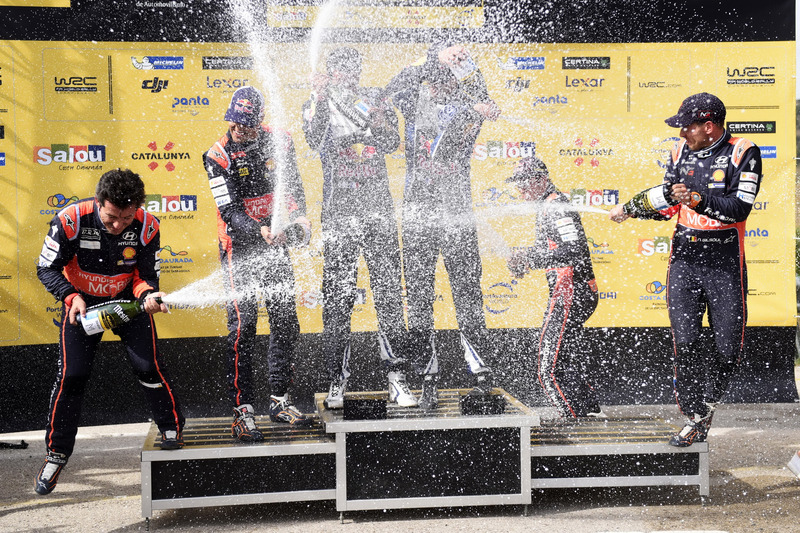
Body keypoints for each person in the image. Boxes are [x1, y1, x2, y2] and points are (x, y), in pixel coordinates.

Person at [609, 92, 762, 447]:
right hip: (684, 260)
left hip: (724, 262)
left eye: (687, 128)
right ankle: (692, 417)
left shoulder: (743, 151)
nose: (682, 135)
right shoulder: (679, 152)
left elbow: (739, 209)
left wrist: (695, 199)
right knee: (687, 343)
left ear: (709, 127)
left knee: (728, 350)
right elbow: (666, 200)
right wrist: (631, 208)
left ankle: (706, 410)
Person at [34, 168, 185, 495]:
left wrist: (148, 295)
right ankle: (56, 454)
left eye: (126, 218)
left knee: (149, 368)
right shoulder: (70, 219)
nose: (118, 226)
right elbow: (46, 268)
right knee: (72, 376)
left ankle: (171, 428)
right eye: (111, 217)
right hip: (82, 306)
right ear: (98, 202)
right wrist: (70, 296)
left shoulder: (147, 225)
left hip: (127, 304)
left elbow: (146, 277)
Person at [385, 42, 500, 409]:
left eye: (447, 81)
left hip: (458, 215)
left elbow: (482, 93)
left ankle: (481, 376)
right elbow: (393, 86)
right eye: (435, 81)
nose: (439, 88)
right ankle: (427, 378)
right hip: (419, 215)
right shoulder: (413, 101)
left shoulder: (471, 108)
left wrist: (463, 62)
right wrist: (436, 58)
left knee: (468, 294)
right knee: (419, 299)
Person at [301, 47, 417, 409]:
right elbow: (313, 140)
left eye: (353, 69)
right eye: (340, 70)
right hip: (338, 214)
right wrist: (320, 99)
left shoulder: (375, 98)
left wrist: (380, 122)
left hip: (378, 212)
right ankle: (337, 380)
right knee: (336, 299)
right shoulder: (316, 100)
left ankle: (397, 378)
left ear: (359, 70)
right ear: (330, 72)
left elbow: (391, 143)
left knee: (388, 295)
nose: (347, 75)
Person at [203, 86, 313, 439]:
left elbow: (292, 186)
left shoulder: (280, 140)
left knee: (286, 321)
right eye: (235, 123)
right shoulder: (217, 155)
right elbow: (228, 210)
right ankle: (242, 411)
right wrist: (259, 229)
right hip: (239, 248)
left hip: (275, 243)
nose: (240, 130)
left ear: (259, 122)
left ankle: (280, 401)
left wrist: (300, 219)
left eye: (247, 125)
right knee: (243, 329)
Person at [506, 156, 601, 419]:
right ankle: (589, 417)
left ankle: (574, 428)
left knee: (549, 369)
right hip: (573, 292)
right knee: (567, 362)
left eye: (524, 185)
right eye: (517, 186)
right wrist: (525, 257)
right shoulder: (547, 205)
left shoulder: (557, 206)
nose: (521, 192)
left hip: (572, 294)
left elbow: (574, 251)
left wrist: (530, 259)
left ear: (541, 180)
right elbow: (551, 249)